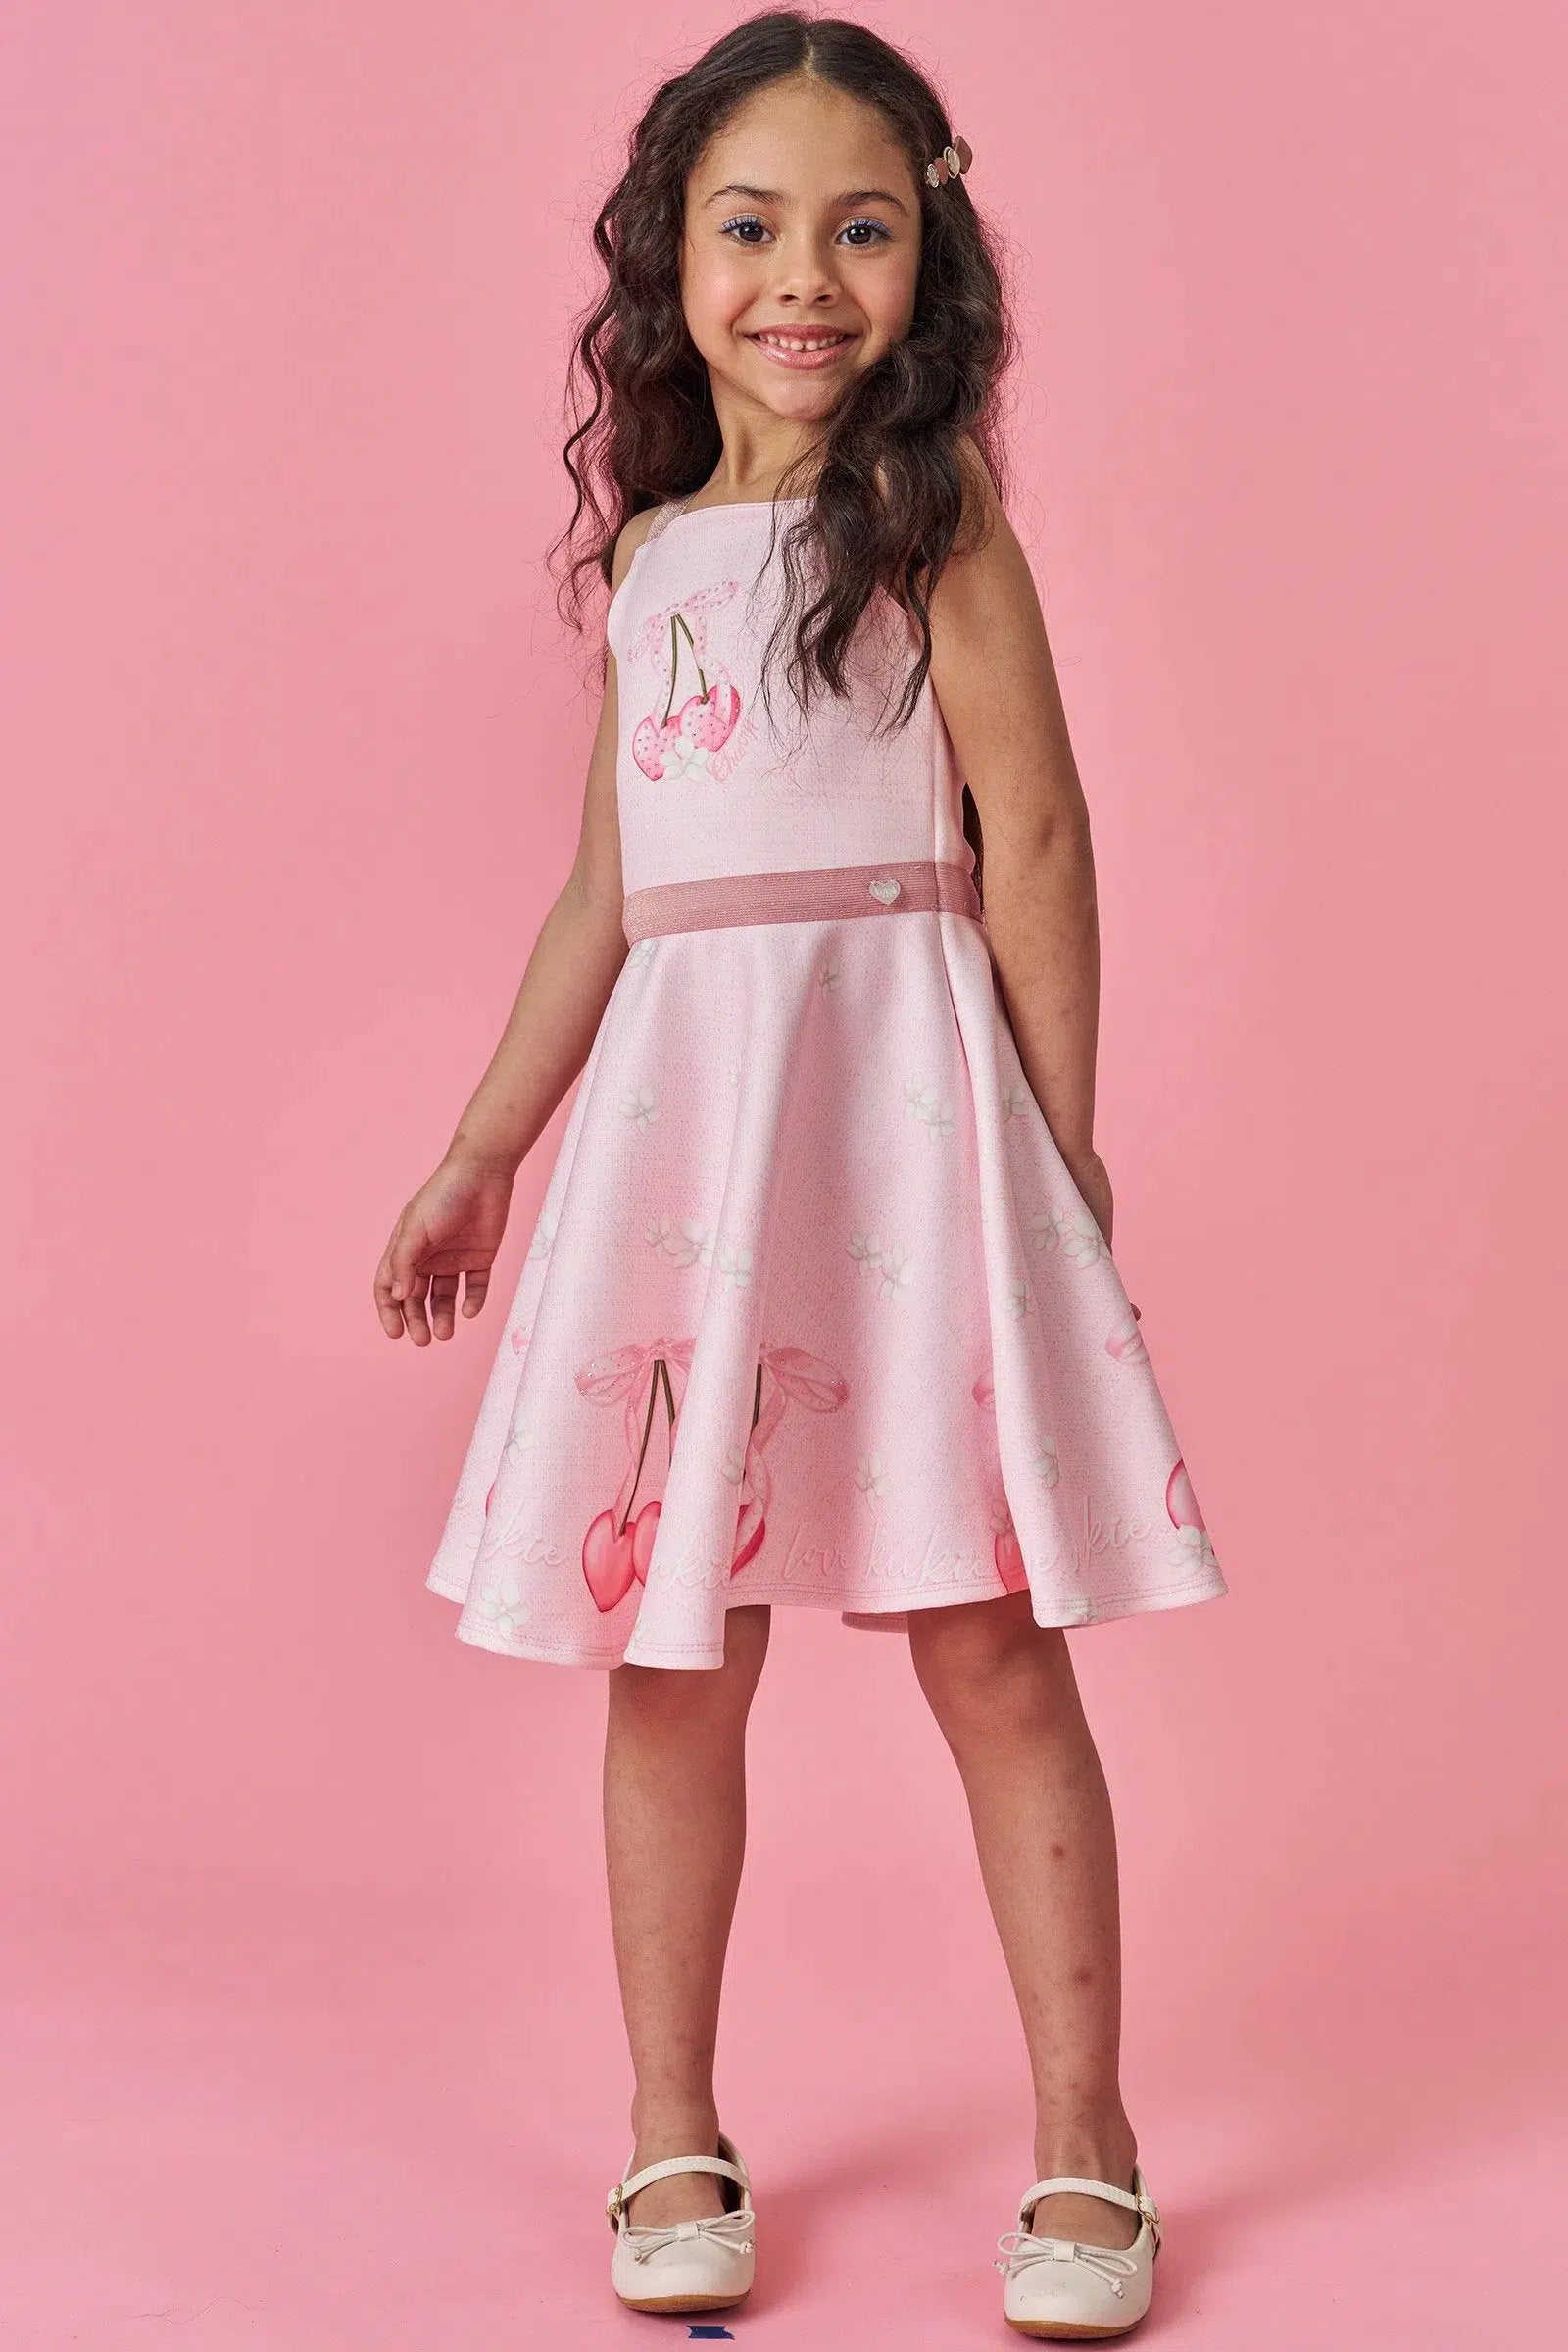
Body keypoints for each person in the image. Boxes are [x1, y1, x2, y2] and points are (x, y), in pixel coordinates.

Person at [373, 11, 1226, 2335]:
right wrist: (479, 1149)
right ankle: (671, 2127)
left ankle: (1086, 2142)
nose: (802, 279)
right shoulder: (656, 552)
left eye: (860, 229)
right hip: (689, 1141)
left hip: (902, 1117)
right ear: (670, 257)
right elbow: (606, 893)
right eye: (750, 227)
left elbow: (1033, 831)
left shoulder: (928, 524)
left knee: (989, 1639)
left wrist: (1055, 1152)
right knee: (674, 1648)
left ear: (925, 258)